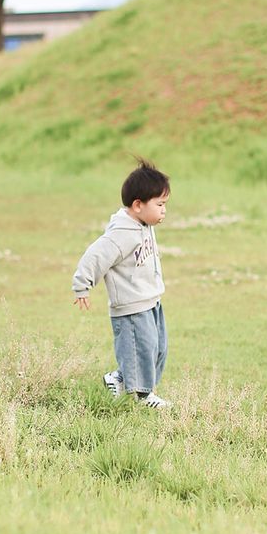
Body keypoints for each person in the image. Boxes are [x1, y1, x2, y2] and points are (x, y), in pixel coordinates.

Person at [72, 161, 171, 409]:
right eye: (159, 205)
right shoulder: (122, 233)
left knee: (156, 349)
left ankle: (117, 378)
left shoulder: (142, 224)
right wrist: (82, 285)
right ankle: (141, 397)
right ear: (138, 205)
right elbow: (96, 255)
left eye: (165, 205)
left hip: (149, 299)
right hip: (130, 306)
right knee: (142, 349)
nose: (164, 211)